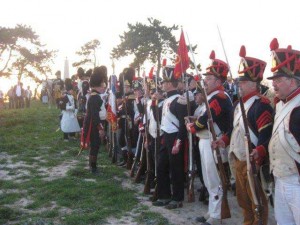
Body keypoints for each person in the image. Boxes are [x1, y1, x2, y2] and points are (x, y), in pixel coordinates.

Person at [215, 45, 273, 225]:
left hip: (252, 161)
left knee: (257, 200)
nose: (239, 84)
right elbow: (235, 129)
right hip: (238, 159)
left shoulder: (261, 105)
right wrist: (224, 139)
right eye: (239, 81)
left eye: (244, 82)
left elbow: (266, 133)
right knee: (243, 200)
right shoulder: (237, 105)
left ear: (255, 84)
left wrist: (260, 151)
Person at [186, 51, 232, 225]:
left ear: (219, 81)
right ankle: (213, 211)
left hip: (214, 142)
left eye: (210, 78)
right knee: (208, 178)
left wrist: (192, 126)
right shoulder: (212, 96)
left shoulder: (219, 97)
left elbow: (206, 120)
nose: (206, 80)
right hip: (205, 140)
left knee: (214, 179)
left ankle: (217, 214)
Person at [267, 38, 300, 225]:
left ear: (293, 80)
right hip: (280, 178)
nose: (274, 85)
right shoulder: (281, 105)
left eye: (278, 79)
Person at [152, 66, 187, 209]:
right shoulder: (166, 100)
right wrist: (155, 103)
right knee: (161, 166)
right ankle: (164, 195)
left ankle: (177, 198)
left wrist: (178, 143)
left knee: (176, 169)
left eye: (164, 82)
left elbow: (183, 124)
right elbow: (159, 118)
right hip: (166, 137)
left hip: (175, 138)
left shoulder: (179, 100)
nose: (162, 85)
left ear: (171, 83)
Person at [82, 67, 108, 174]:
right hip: (94, 125)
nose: (104, 87)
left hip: (94, 124)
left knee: (95, 145)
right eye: (102, 84)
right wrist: (100, 128)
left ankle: (92, 166)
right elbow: (95, 116)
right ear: (99, 85)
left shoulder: (95, 96)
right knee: (95, 145)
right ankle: (93, 168)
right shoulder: (95, 97)